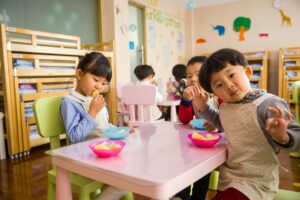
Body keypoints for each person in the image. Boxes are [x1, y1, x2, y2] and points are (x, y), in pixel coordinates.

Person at [196, 48, 300, 200]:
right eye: (219, 85)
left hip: (256, 181)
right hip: (229, 177)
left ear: (248, 72)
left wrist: (283, 137)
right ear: (214, 93)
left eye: (231, 75)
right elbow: (221, 121)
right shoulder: (225, 106)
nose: (228, 85)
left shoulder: (268, 104)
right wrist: (202, 107)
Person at [60, 52, 127, 200]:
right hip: (84, 156)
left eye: (103, 83)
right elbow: (74, 137)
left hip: (102, 151)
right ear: (79, 74)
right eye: (96, 79)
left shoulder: (93, 98)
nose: (99, 86)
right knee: (125, 181)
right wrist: (92, 112)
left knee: (132, 166)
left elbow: (104, 126)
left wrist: (121, 130)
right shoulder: (70, 103)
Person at [174, 56, 218, 200]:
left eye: (198, 74)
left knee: (203, 173)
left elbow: (227, 119)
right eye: (189, 76)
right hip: (198, 138)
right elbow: (185, 119)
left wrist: (218, 127)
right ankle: (182, 195)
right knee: (184, 162)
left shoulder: (218, 94)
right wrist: (186, 100)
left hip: (216, 143)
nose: (193, 79)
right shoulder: (192, 95)